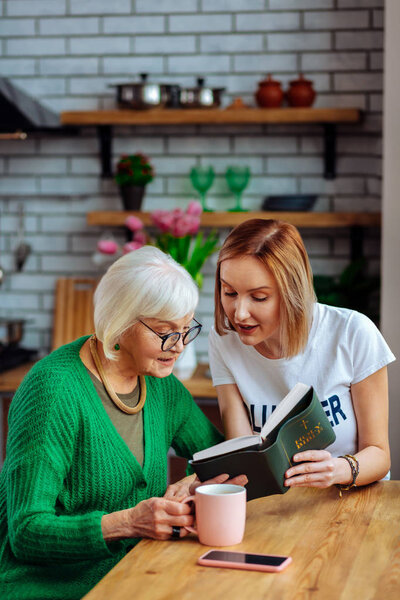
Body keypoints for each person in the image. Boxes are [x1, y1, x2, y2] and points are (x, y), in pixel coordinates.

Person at [0, 246, 245, 600]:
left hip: (134, 575)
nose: (177, 347)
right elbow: (26, 532)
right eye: (165, 332)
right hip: (49, 587)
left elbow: (222, 457)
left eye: (184, 329)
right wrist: (128, 522)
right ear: (120, 321)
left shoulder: (162, 385)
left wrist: (197, 479)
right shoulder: (53, 391)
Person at [209, 218, 395, 493]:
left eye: (259, 297)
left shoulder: (352, 333)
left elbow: (379, 454)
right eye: (229, 292)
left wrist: (338, 469)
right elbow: (243, 452)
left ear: (292, 292)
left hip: (352, 500)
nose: (239, 313)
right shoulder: (224, 340)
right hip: (278, 506)